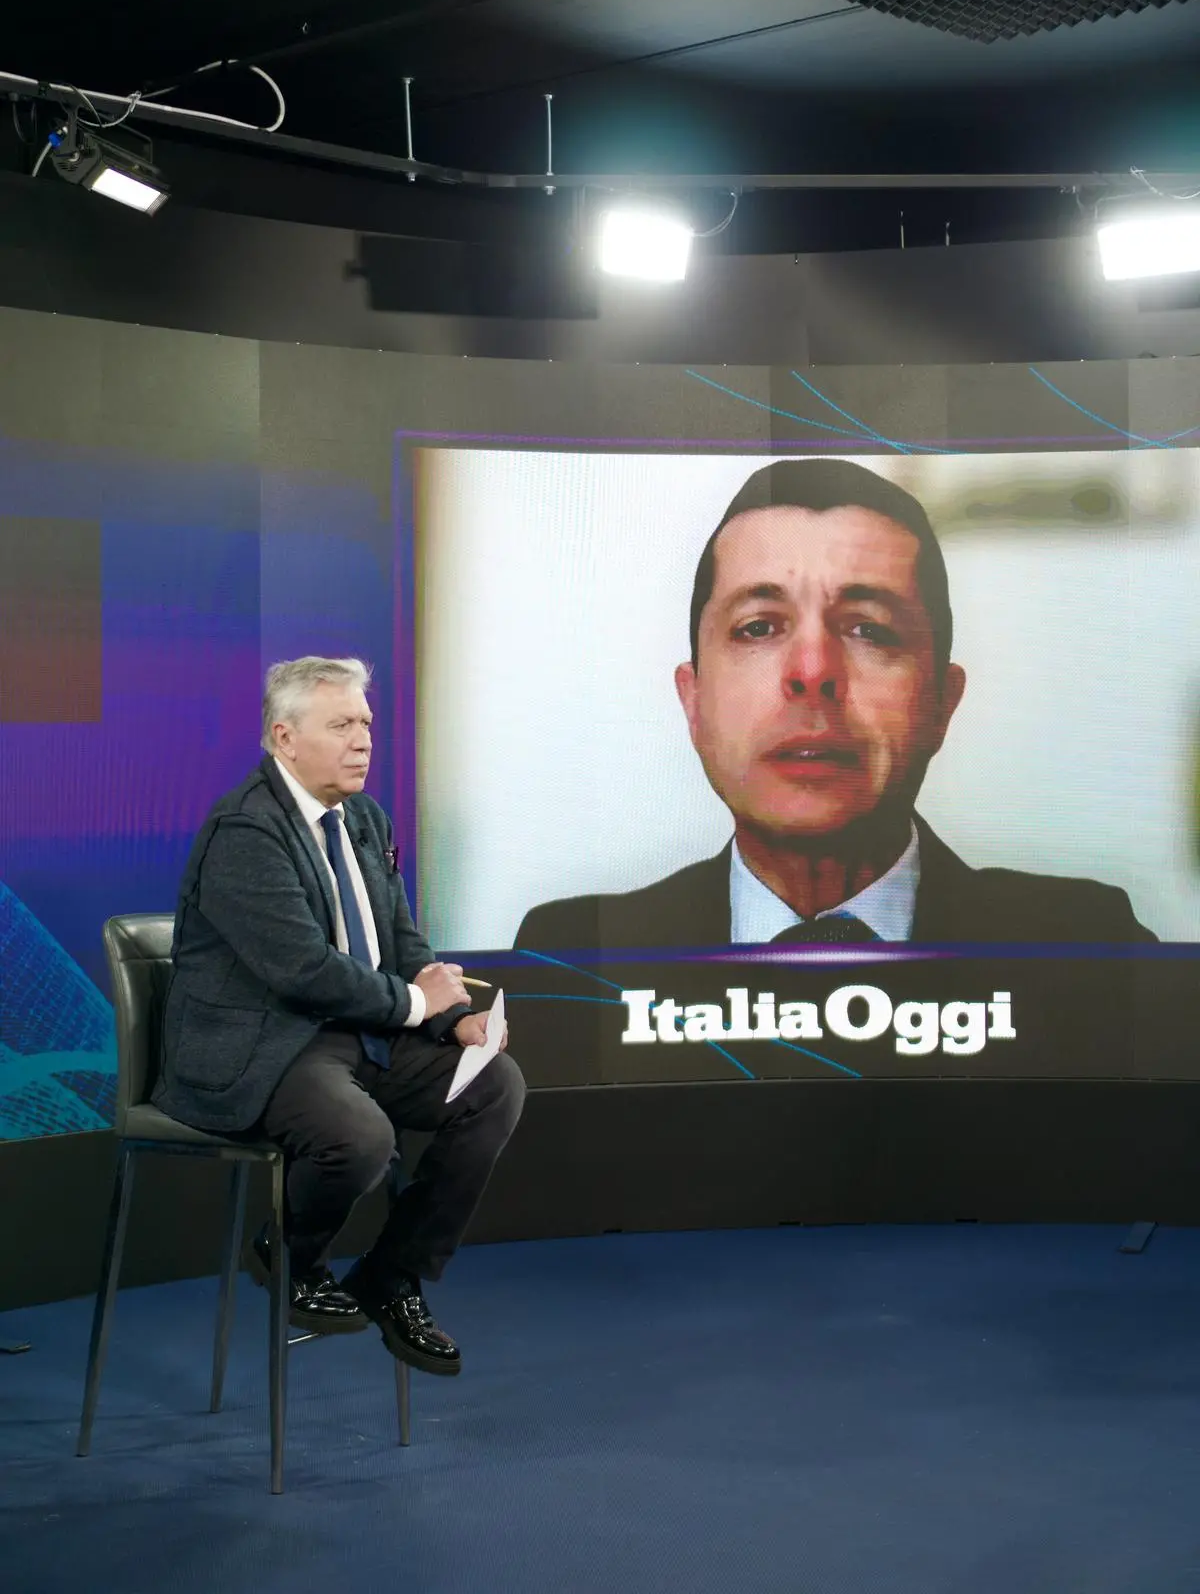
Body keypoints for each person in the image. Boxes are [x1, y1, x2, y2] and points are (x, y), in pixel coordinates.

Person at [516, 458, 1155, 949]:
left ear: (943, 702)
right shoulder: (574, 957)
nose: (813, 671)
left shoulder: (1088, 948)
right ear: (695, 701)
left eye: (869, 629)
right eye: (758, 627)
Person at [155, 656, 524, 1375]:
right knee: (359, 1135)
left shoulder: (363, 819)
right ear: (283, 737)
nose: (362, 741)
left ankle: (392, 1275)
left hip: (357, 1036)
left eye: (366, 724)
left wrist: (453, 1020)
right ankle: (290, 1255)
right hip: (265, 1045)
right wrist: (417, 1003)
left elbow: (400, 940)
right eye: (341, 725)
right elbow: (304, 971)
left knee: (493, 1084)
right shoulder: (245, 830)